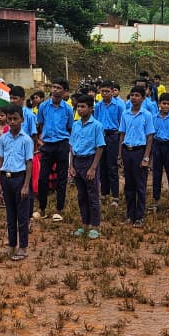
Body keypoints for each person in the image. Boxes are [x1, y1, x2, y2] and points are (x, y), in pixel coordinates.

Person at [0, 104, 35, 259]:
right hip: (6, 178)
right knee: (10, 214)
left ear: (22, 120)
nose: (12, 122)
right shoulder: (3, 138)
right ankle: (12, 245)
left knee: (22, 215)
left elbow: (29, 163)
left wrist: (26, 185)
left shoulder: (26, 140)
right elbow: (0, 159)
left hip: (20, 178)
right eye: (9, 119)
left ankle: (23, 247)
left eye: (15, 119)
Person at [35, 81, 74, 222]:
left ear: (64, 91)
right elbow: (40, 124)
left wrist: (66, 142)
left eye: (59, 88)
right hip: (47, 146)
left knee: (61, 178)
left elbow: (70, 127)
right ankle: (42, 208)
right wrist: (41, 141)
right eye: (54, 87)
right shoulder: (43, 106)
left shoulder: (68, 109)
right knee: (42, 178)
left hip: (62, 145)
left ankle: (59, 209)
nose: (55, 90)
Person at [70, 94, 105, 238]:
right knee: (81, 195)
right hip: (77, 161)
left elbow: (100, 147)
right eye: (78, 106)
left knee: (92, 195)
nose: (80, 109)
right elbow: (72, 146)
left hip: (89, 161)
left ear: (91, 108)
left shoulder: (97, 126)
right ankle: (85, 223)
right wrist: (71, 166)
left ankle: (95, 225)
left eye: (83, 107)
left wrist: (93, 168)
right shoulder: (75, 125)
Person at [118, 85, 154, 227]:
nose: (134, 98)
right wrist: (120, 155)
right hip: (127, 151)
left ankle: (139, 216)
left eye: (137, 95)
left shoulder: (147, 115)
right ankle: (130, 214)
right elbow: (122, 135)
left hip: (140, 151)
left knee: (140, 185)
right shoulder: (125, 114)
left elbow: (150, 137)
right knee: (129, 185)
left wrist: (146, 158)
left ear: (143, 98)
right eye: (132, 95)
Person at [151, 91, 169, 211]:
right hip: (157, 145)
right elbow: (151, 133)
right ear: (159, 104)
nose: (166, 106)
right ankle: (156, 200)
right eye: (164, 103)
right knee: (156, 174)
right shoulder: (154, 117)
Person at [94, 82, 123, 205]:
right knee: (102, 166)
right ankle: (104, 193)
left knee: (112, 166)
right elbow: (96, 122)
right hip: (101, 136)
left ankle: (115, 196)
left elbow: (122, 124)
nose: (104, 94)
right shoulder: (98, 106)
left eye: (107, 91)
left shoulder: (119, 106)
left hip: (113, 136)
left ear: (112, 91)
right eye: (102, 91)